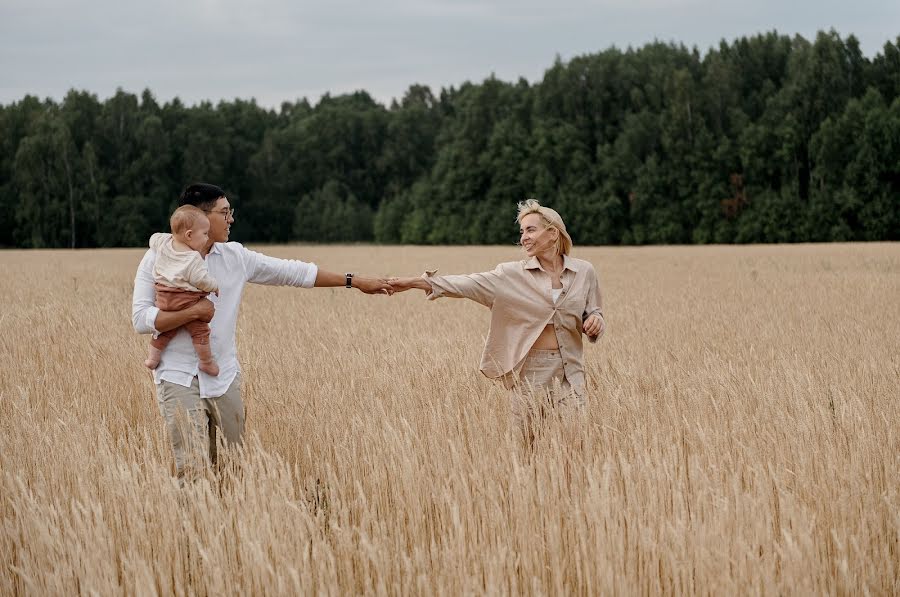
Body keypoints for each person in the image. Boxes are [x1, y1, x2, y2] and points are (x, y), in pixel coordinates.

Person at [132, 182, 392, 482]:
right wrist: (192, 313)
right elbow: (141, 319)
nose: (231, 219)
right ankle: (192, 527)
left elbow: (294, 272)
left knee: (233, 468)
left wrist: (354, 281)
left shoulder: (236, 257)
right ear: (199, 217)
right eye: (225, 212)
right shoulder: (156, 258)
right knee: (192, 472)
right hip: (175, 376)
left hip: (223, 376)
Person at [389, 199, 605, 446]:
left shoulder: (585, 271)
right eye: (522, 231)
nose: (523, 237)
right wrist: (415, 282)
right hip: (531, 372)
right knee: (526, 448)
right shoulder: (510, 275)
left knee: (575, 444)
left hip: (571, 370)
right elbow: (466, 283)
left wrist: (596, 321)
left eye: (531, 230)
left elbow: (593, 312)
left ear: (553, 233)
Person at [144, 205, 221, 376]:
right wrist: (214, 286)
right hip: (184, 299)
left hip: (163, 297)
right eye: (205, 234)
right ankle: (206, 362)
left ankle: (152, 358)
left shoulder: (163, 242)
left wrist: (162, 237)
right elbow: (201, 280)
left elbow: (153, 239)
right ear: (189, 235)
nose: (207, 238)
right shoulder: (192, 258)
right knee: (200, 330)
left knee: (165, 330)